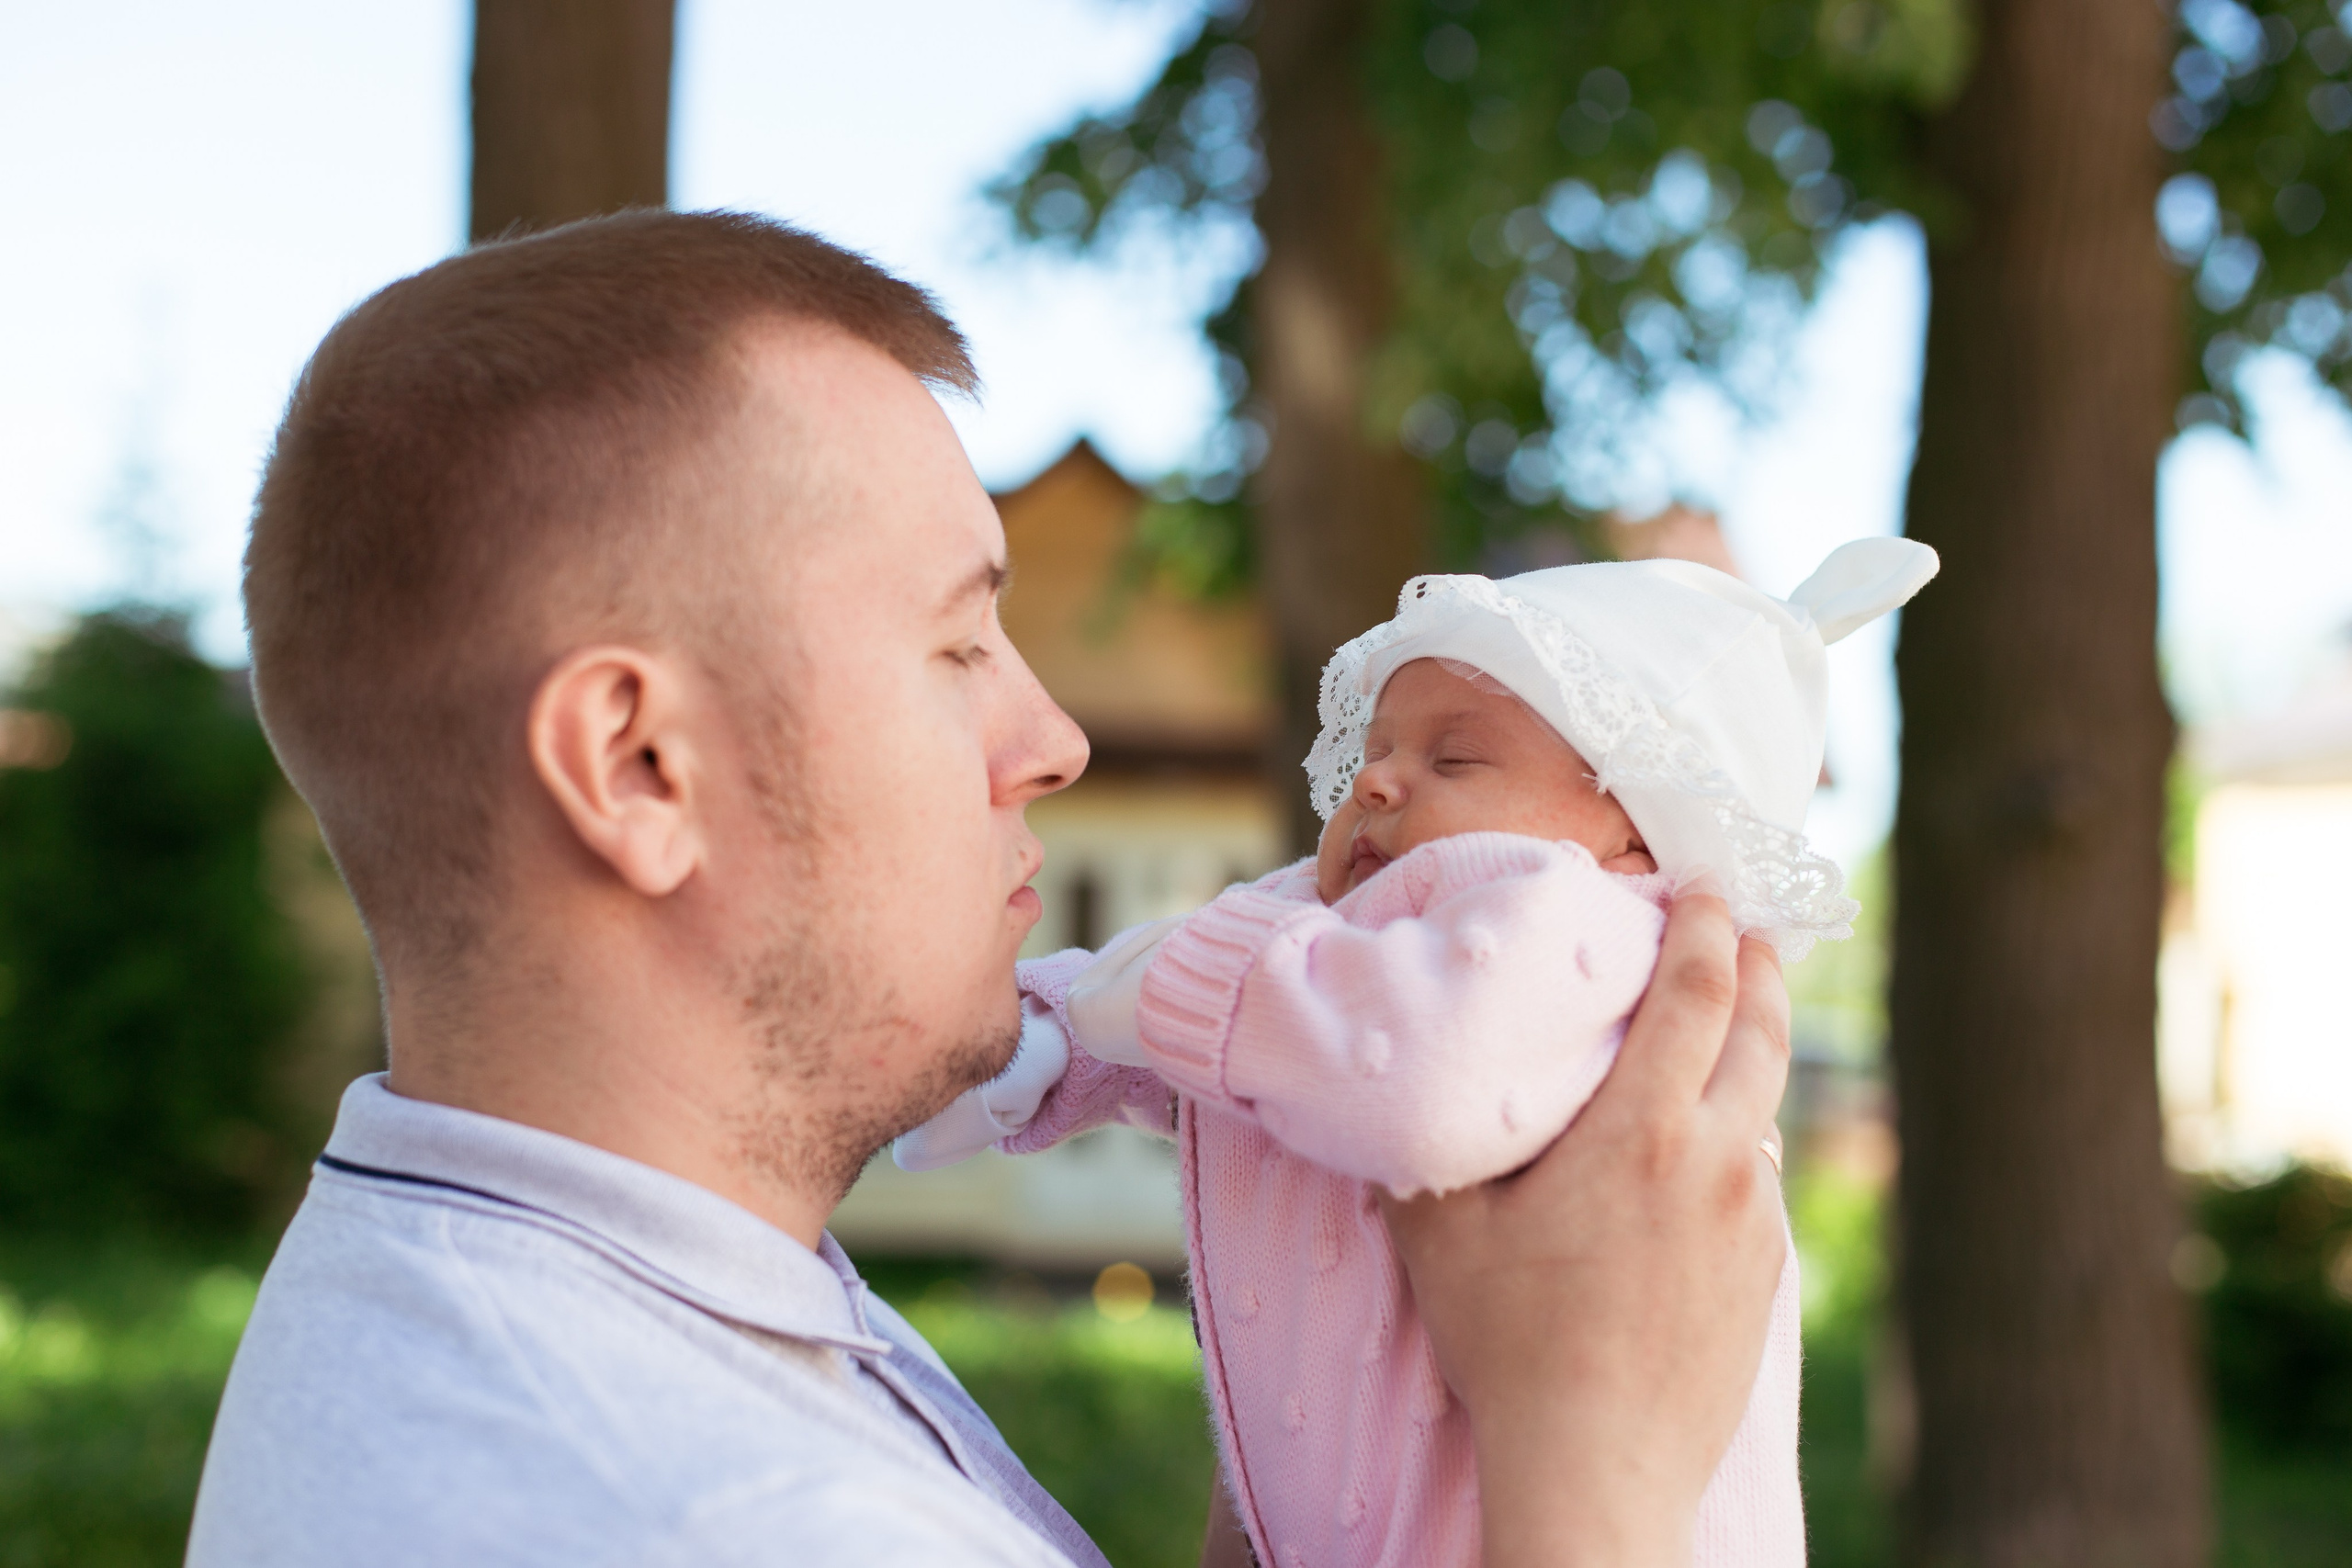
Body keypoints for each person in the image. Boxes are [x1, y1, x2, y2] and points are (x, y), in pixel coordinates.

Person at [185, 209, 1794, 1568]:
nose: (1055, 739)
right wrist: (1596, 1461)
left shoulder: (514, 1283)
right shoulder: (734, 1516)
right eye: (959, 645)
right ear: (639, 765)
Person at [899, 546, 1936, 1567]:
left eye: (1456, 760)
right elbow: (1222, 1043)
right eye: (1373, 751)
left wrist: (1149, 998)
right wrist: (1050, 1048)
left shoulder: (1603, 930)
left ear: (1634, 837)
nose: (1378, 781)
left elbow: (1395, 1058)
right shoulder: (1356, 937)